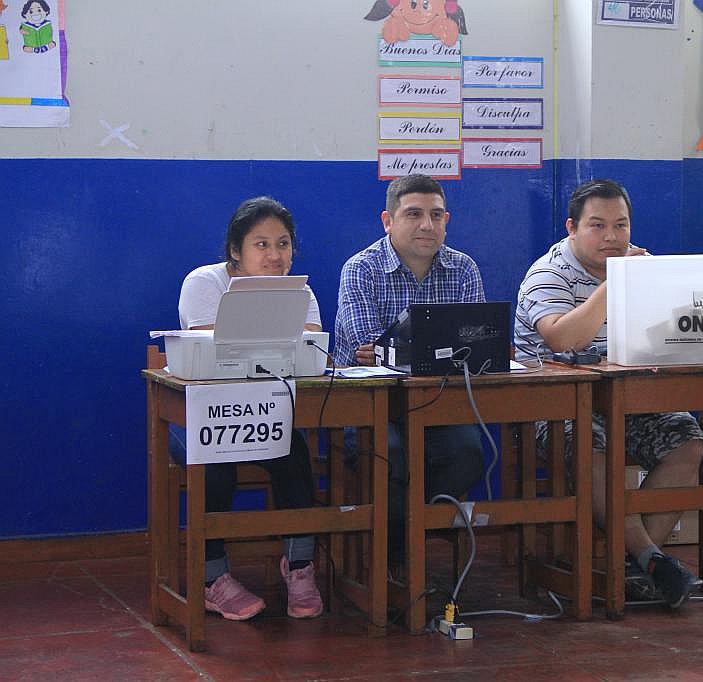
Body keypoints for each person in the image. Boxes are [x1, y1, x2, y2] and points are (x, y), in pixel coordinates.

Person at [514, 179, 703, 609]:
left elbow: (672, 332)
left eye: (621, 226)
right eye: (597, 226)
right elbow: (562, 339)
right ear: (572, 228)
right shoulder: (549, 273)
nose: (612, 238)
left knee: (687, 437)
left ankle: (641, 566)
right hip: (552, 408)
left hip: (630, 402)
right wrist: (614, 284)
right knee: (589, 441)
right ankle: (649, 559)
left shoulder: (643, 264)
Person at [174, 196, 324, 621]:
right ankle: (212, 578)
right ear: (235, 251)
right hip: (199, 415)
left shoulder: (301, 290)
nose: (275, 256)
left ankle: (299, 566)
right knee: (215, 459)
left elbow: (310, 347)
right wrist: (277, 341)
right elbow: (215, 348)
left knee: (294, 453)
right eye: (261, 244)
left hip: (266, 412)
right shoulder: (204, 282)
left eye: (283, 244)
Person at [335, 174, 485, 574]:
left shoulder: (464, 269)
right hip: (371, 408)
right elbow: (367, 348)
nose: (427, 225)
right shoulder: (361, 269)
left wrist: (402, 351)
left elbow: (478, 343)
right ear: (388, 220)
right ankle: (398, 558)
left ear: (447, 220)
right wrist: (436, 352)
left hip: (439, 408)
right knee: (390, 455)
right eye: (414, 214)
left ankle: (403, 533)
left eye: (436, 215)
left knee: (471, 454)